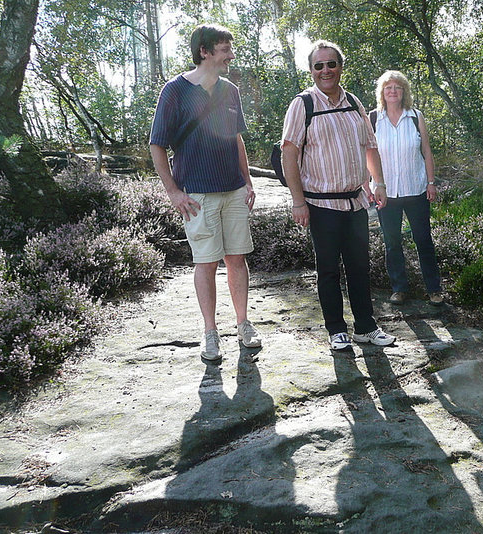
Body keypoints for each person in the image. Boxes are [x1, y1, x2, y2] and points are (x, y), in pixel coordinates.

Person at [149, 23, 261, 364]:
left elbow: (236, 138)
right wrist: (173, 192)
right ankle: (210, 332)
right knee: (206, 262)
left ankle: (243, 324)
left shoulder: (229, 91)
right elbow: (157, 144)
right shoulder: (174, 90)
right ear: (205, 52)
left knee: (237, 258)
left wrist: (248, 181)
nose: (230, 55)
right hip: (197, 194)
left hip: (233, 190)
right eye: (225, 49)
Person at [279, 40, 395, 350]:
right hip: (320, 204)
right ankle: (336, 330)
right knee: (328, 269)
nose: (326, 70)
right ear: (311, 71)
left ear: (340, 67)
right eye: (319, 66)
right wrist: (298, 200)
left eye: (331, 64)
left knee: (359, 267)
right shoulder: (303, 105)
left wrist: (378, 183)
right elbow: (288, 155)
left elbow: (370, 146)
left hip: (356, 201)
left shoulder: (355, 103)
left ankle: (366, 327)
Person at [371, 70, 443, 306]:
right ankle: (399, 289)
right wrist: (367, 184)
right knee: (392, 242)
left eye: (398, 88)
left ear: (404, 92)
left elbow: (427, 151)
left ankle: (434, 290)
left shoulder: (415, 116)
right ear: (382, 92)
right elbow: (367, 154)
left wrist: (431, 183)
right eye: (388, 87)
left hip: (416, 189)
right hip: (386, 193)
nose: (393, 91)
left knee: (423, 240)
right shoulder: (373, 118)